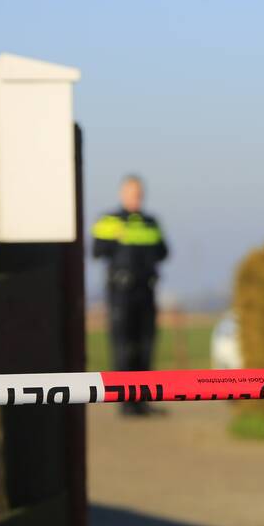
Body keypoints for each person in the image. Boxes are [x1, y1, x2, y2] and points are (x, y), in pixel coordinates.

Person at [92, 174, 168, 416]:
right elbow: (96, 250)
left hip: (146, 291)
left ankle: (143, 401)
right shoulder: (108, 220)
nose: (136, 198)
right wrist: (116, 237)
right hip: (121, 293)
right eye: (132, 193)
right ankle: (126, 402)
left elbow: (164, 252)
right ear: (122, 194)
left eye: (139, 194)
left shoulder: (151, 222)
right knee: (123, 346)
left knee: (146, 345)